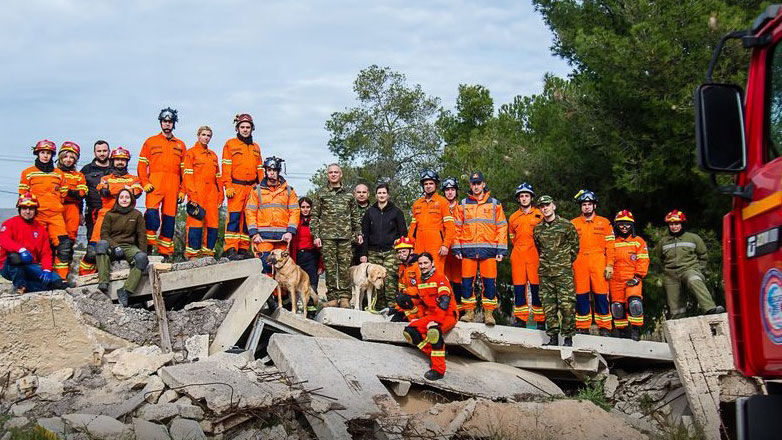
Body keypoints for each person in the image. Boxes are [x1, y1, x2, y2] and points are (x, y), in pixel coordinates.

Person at [454, 171, 508, 326]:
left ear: (484, 184)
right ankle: (469, 312)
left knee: (490, 283)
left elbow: (502, 227)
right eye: (473, 183)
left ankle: (489, 314)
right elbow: (457, 227)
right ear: (470, 185)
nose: (476, 186)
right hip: (468, 251)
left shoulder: (495, 204)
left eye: (479, 183)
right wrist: (457, 249)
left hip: (489, 250)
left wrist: (501, 250)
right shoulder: (463, 204)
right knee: (466, 283)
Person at [78, 148, 143, 275]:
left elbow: (135, 193)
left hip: (127, 217)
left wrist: (114, 190)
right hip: (106, 215)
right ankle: (84, 278)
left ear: (127, 161)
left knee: (127, 252)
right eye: (117, 159)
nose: (120, 162)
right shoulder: (105, 178)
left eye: (123, 160)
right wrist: (124, 189)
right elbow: (104, 191)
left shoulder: (134, 179)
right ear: (112, 161)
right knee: (92, 251)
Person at [310, 164, 363, 308]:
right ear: (327, 175)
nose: (333, 174)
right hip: (327, 237)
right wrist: (316, 235)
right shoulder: (321, 194)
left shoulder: (349, 195)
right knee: (330, 268)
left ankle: (345, 297)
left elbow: (355, 216)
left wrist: (358, 232)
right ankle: (332, 297)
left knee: (345, 268)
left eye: (336, 172)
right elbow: (314, 216)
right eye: (330, 172)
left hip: (346, 237)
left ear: (341, 174)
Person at [656, 210, 725, 318]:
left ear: (682, 224)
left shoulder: (693, 238)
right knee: (675, 309)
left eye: (677, 224)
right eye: (671, 224)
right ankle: (678, 327)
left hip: (689, 269)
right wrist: (665, 272)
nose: (674, 227)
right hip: (671, 275)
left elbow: (703, 255)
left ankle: (710, 309)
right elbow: (659, 258)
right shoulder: (663, 242)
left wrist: (699, 269)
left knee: (694, 280)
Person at [138, 107, 187, 258]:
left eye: (170, 121)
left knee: (169, 221)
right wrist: (144, 182)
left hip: (172, 186)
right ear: (160, 123)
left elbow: (185, 172)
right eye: (165, 121)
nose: (167, 124)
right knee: (152, 216)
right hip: (155, 184)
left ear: (174, 124)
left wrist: (182, 191)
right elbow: (141, 165)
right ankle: (148, 247)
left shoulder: (180, 145)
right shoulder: (150, 142)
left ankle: (165, 252)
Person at [19, 139, 71, 279]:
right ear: (37, 153)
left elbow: (63, 195)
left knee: (63, 246)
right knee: (36, 246)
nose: (45, 156)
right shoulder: (27, 173)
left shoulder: (59, 174)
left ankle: (61, 278)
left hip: (56, 216)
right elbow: (23, 195)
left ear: (52, 155)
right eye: (42, 152)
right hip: (37, 216)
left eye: (48, 153)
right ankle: (33, 278)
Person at [402, 252, 458, 381]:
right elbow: (421, 301)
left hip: (447, 314)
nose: (422, 266)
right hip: (431, 315)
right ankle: (435, 353)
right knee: (409, 332)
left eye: (425, 263)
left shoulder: (440, 277)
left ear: (432, 263)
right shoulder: (421, 280)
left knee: (434, 332)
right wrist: (407, 303)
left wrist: (436, 321)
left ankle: (438, 369)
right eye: (420, 263)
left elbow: (444, 301)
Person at [534, 195, 579, 347]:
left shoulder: (567, 226)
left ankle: (568, 337)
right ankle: (552, 337)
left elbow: (575, 247)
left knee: (567, 306)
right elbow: (539, 249)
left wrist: (564, 262)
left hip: (563, 274)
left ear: (554, 206)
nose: (545, 208)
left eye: (547, 205)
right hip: (546, 274)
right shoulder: (538, 229)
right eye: (542, 206)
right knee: (549, 307)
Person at [0, 193, 69, 292]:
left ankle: (30, 288)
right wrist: (21, 250)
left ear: (35, 210)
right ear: (19, 209)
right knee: (15, 257)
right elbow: (3, 240)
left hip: (30, 266)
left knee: (58, 283)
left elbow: (46, 253)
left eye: (31, 209)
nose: (27, 212)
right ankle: (19, 287)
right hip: (9, 267)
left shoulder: (40, 229)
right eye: (24, 208)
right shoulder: (9, 223)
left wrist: (47, 270)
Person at [571, 190, 615, 336]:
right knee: (581, 295)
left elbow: (610, 246)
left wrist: (610, 264)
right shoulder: (574, 223)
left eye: (590, 204)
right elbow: (569, 247)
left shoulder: (604, 223)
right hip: (580, 262)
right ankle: (583, 327)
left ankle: (605, 327)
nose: (587, 207)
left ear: (594, 205)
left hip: (599, 261)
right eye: (584, 204)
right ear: (581, 207)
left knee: (601, 295)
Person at [245, 156, 299, 274]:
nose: (272, 173)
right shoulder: (257, 191)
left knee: (284, 269)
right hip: (263, 238)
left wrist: (290, 231)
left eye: (274, 170)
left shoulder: (289, 191)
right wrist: (254, 234)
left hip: (282, 237)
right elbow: (250, 212)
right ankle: (269, 293)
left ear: (278, 171)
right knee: (265, 266)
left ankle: (283, 293)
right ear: (266, 171)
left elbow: (294, 212)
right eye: (269, 170)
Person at [95, 189, 148, 307]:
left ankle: (125, 291)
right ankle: (103, 282)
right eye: (122, 197)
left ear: (131, 200)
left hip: (129, 246)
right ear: (118, 199)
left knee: (141, 258)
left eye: (127, 197)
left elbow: (141, 236)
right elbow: (104, 234)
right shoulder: (110, 214)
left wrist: (143, 256)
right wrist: (115, 247)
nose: (124, 199)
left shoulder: (136, 214)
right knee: (101, 245)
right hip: (112, 245)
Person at [359, 183, 407, 309]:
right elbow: (364, 234)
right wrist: (363, 254)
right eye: (379, 193)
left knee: (390, 278)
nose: (381, 195)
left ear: (388, 195)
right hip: (373, 251)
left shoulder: (396, 212)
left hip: (391, 251)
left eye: (384, 193)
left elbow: (403, 233)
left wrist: (402, 251)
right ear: (375, 195)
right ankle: (377, 306)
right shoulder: (370, 212)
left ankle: (392, 306)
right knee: (375, 280)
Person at [221, 113, 263, 260]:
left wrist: (261, 188)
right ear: (237, 128)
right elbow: (225, 167)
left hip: (251, 188)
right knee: (234, 218)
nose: (245, 130)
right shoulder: (230, 144)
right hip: (236, 186)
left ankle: (243, 248)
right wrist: (228, 185)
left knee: (247, 218)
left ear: (252, 129)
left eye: (248, 127)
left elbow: (260, 169)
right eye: (242, 127)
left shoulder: (256, 147)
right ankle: (230, 248)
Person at [508, 183, 545, 329]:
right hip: (518, 255)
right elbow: (512, 236)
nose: (524, 199)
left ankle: (541, 320)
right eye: (521, 196)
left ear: (531, 198)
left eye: (526, 196)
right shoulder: (513, 217)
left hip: (535, 254)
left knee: (537, 289)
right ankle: (520, 319)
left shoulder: (539, 214)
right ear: (518, 199)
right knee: (519, 289)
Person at [183, 126, 223, 259]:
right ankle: (192, 254)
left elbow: (218, 177)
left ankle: (208, 253)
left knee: (212, 223)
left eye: (208, 135)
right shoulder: (191, 153)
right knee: (195, 223)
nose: (206, 138)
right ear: (198, 135)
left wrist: (220, 195)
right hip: (197, 192)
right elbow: (187, 176)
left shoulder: (213, 155)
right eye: (204, 135)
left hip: (212, 192)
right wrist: (192, 195)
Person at [610, 210, 649, 340]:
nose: (624, 227)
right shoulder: (612, 242)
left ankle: (636, 330)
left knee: (635, 304)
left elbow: (643, 260)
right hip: (615, 279)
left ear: (632, 225)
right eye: (621, 224)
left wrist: (638, 277)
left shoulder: (638, 241)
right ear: (617, 225)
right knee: (617, 307)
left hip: (633, 278)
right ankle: (622, 333)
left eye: (627, 224)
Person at [407, 170, 455, 273]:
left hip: (436, 245)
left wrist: (445, 245)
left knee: (436, 272)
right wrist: (411, 246)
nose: (428, 186)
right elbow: (412, 228)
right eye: (426, 184)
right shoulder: (417, 204)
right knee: (418, 272)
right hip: (419, 245)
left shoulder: (443, 202)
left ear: (436, 185)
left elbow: (450, 227)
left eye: (431, 183)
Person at [57, 142, 87, 271]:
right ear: (60, 157)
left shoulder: (79, 175)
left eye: (72, 157)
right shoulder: (54, 173)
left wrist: (65, 192)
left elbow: (81, 194)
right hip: (56, 209)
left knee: (69, 242)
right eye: (66, 156)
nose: (68, 160)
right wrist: (71, 192)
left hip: (72, 209)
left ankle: (64, 274)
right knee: (54, 241)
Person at [291, 197, 323, 297]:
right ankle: (295, 309)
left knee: (312, 285)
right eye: (302, 207)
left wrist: (321, 265)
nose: (305, 209)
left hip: (312, 257)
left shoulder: (316, 223)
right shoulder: (294, 223)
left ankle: (311, 311)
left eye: (308, 207)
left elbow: (322, 247)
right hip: (298, 257)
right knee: (296, 285)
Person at [81, 140, 112, 240]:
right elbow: (81, 193)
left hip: (113, 212)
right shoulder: (87, 170)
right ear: (94, 153)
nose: (102, 153)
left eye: (104, 150)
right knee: (93, 242)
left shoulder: (116, 168)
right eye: (99, 151)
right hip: (93, 211)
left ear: (109, 151)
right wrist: (79, 212)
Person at [441, 177, 463, 311]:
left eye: (452, 189)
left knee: (458, 280)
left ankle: (460, 310)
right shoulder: (439, 206)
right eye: (447, 190)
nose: (449, 192)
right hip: (443, 248)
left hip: (458, 249)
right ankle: (447, 308)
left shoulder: (461, 208)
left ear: (456, 192)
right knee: (445, 280)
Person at [392, 237, 422, 322]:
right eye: (399, 252)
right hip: (406, 302)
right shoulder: (402, 266)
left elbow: (422, 288)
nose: (401, 254)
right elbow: (401, 286)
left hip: (418, 302)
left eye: (404, 251)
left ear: (411, 251)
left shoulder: (418, 265)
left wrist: (405, 292)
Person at [352, 183, 371, 265]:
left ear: (368, 194)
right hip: (351, 247)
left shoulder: (373, 210)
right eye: (359, 192)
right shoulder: (348, 209)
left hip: (369, 248)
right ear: (354, 193)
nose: (361, 194)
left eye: (364, 192)